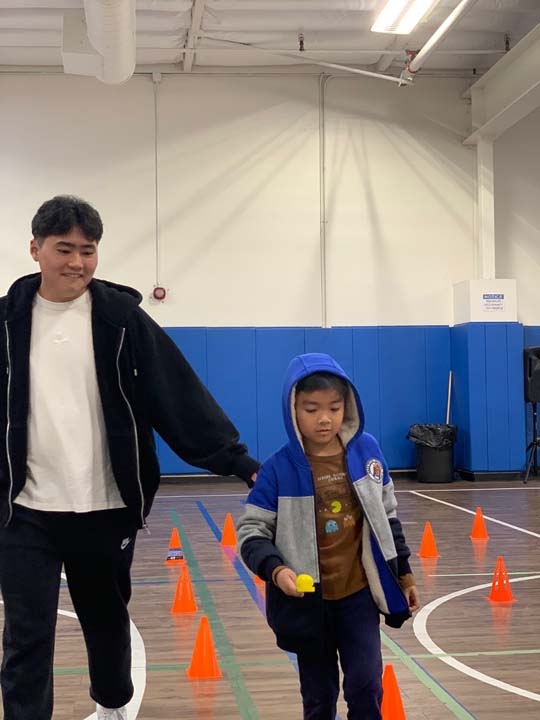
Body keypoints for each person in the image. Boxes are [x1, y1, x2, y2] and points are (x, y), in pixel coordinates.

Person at [0, 195, 259, 720]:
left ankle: (113, 704)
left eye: (88, 250)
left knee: (106, 620)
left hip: (105, 505)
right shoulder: (6, 321)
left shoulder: (122, 320)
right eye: (64, 249)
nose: (77, 262)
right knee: (26, 635)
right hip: (24, 511)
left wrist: (237, 461)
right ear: (35, 249)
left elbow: (177, 395)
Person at [237, 352, 419, 720]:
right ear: (292, 410)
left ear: (347, 406)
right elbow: (251, 531)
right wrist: (276, 570)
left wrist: (404, 572)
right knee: (319, 698)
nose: (324, 418)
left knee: (366, 685)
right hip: (308, 605)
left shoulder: (367, 452)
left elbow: (387, 516)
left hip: (359, 596)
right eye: (312, 409)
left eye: (334, 408)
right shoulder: (277, 469)